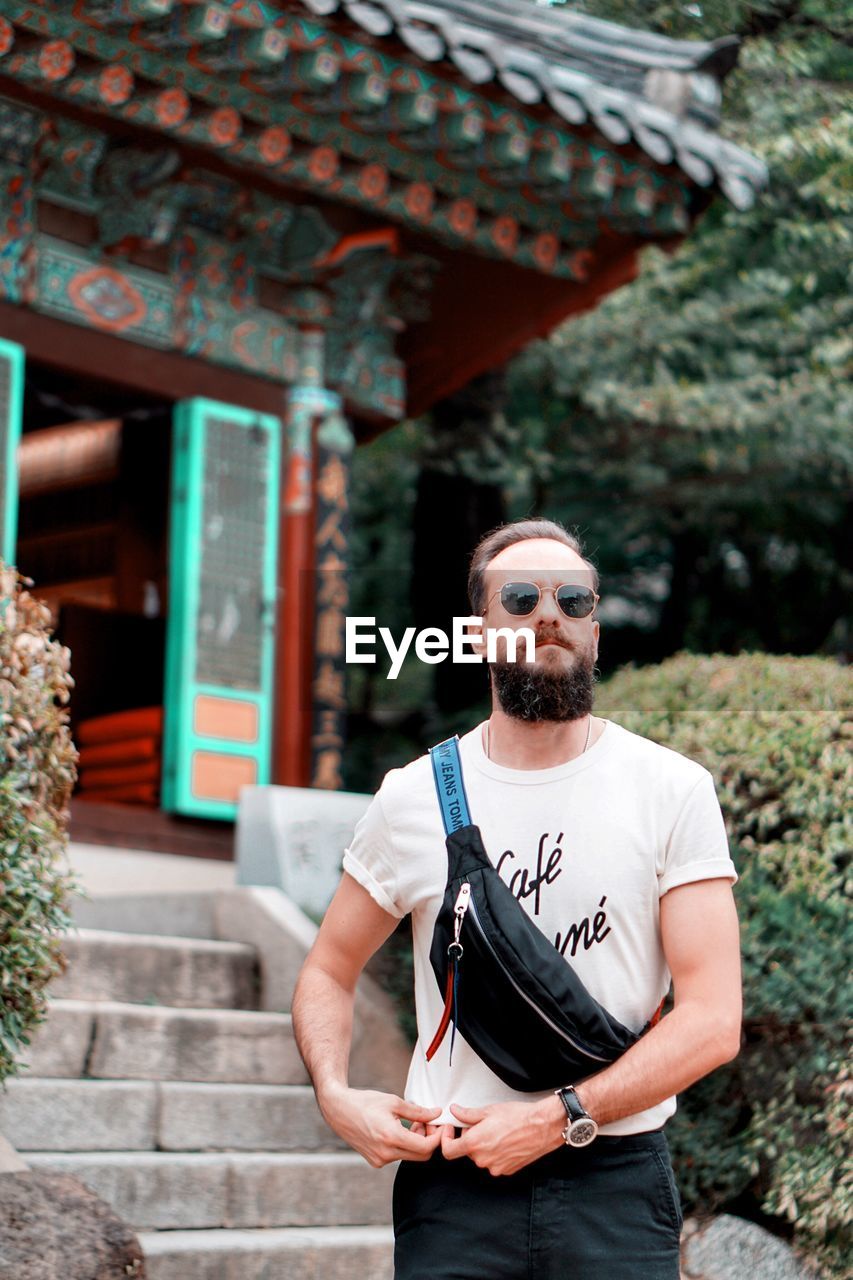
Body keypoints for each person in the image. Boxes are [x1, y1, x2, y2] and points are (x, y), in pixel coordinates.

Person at [292, 517, 742, 1279]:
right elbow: (327, 971)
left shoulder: (670, 789)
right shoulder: (413, 799)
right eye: (521, 596)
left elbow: (712, 1020)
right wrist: (336, 1096)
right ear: (477, 633)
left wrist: (553, 1120)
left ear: (594, 628)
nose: (548, 615)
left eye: (573, 598)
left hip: (615, 1183)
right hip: (454, 1189)